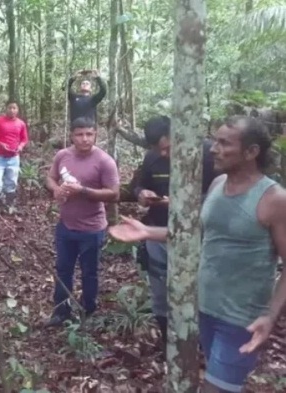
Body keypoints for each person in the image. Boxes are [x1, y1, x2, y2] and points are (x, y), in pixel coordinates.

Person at [109, 116, 286, 393]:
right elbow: (196, 233)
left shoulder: (274, 199)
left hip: (241, 320)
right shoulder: (218, 186)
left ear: (252, 152)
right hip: (204, 310)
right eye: (215, 140)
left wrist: (271, 316)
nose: (213, 148)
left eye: (224, 143)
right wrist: (147, 232)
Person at [132, 115, 218, 349]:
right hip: (158, 234)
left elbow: (223, 197)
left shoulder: (210, 155)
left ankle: (198, 346)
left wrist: (185, 203)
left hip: (199, 238)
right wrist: (142, 194)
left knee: (199, 294)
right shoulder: (152, 158)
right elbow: (137, 185)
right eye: (157, 149)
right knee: (160, 295)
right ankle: (168, 344)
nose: (163, 154)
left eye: (167, 148)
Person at [45, 117, 120, 327]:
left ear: (96, 134)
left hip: (92, 228)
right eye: (79, 134)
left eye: (89, 134)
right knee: (63, 270)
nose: (84, 139)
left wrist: (83, 191)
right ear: (72, 135)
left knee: (89, 272)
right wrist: (55, 189)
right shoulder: (63, 155)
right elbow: (50, 178)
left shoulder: (104, 161)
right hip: (65, 225)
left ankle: (89, 311)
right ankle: (61, 312)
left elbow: (114, 194)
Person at [0, 100, 29, 217]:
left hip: (14, 158)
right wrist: (0, 144)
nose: (12, 110)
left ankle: (9, 205)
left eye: (14, 108)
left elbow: (24, 139)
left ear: (17, 109)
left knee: (11, 183)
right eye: (10, 108)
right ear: (6, 109)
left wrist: (20, 146)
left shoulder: (21, 123)